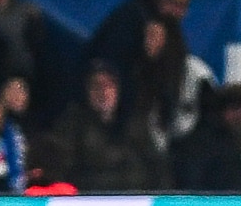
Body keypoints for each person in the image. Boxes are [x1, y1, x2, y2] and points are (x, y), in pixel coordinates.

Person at [36, 62, 171, 192]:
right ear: (86, 91)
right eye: (96, 86)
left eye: (109, 85)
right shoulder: (72, 124)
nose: (103, 92)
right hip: (89, 202)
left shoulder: (136, 122)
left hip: (136, 201)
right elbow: (62, 168)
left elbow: (156, 166)